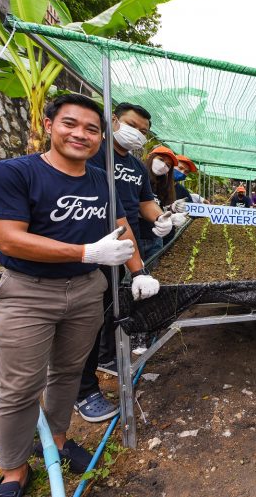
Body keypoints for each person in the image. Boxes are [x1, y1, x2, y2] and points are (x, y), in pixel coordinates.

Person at [0, 94, 159, 497]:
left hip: (86, 290)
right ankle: (13, 470)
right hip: (29, 292)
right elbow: (9, 239)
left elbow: (122, 222)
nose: (81, 134)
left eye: (91, 129)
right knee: (20, 385)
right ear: (48, 126)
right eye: (70, 124)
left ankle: (57, 442)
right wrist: (86, 252)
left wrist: (139, 271)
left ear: (101, 136)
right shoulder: (13, 173)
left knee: (67, 373)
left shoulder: (101, 181)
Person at [76, 102, 178, 421]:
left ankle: (106, 360)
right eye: (133, 125)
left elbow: (144, 203)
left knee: (113, 303)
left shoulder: (135, 167)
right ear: (115, 120)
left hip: (124, 243)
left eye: (145, 131)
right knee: (90, 316)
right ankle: (85, 383)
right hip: (89, 244)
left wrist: (160, 219)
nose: (138, 134)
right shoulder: (94, 154)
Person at [139, 146, 186, 260]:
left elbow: (160, 207)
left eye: (168, 165)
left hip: (155, 238)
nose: (163, 165)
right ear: (151, 157)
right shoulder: (138, 177)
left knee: (152, 272)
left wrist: (172, 212)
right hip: (137, 237)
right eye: (160, 159)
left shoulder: (163, 184)